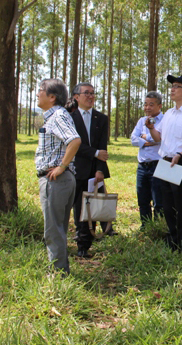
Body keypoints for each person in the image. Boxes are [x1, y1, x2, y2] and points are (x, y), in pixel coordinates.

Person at [146, 75, 182, 254]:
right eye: (172, 86)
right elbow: (160, 138)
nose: (172, 89)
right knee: (167, 206)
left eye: (177, 86)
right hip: (166, 163)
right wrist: (151, 129)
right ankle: (173, 242)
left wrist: (181, 153)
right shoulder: (169, 114)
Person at [34, 78, 81, 275]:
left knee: (53, 230)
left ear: (52, 97)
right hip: (59, 180)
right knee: (58, 228)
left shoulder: (58, 116)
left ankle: (58, 274)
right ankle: (60, 270)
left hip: (56, 180)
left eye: (41, 90)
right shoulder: (54, 116)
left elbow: (74, 140)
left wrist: (61, 167)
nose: (37, 93)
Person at [69, 83, 111, 258]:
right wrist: (94, 153)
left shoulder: (101, 119)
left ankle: (85, 245)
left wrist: (100, 170)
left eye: (93, 93)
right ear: (76, 97)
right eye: (86, 93)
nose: (91, 96)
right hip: (74, 169)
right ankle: (80, 240)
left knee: (92, 207)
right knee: (79, 207)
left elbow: (103, 148)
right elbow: (72, 145)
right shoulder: (69, 117)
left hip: (94, 171)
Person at [131, 91, 165, 229]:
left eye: (151, 104)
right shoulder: (141, 121)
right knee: (142, 199)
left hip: (159, 164)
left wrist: (145, 136)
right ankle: (145, 226)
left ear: (159, 106)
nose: (147, 108)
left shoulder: (165, 120)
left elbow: (162, 139)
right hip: (142, 165)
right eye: (145, 104)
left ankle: (158, 227)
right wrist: (148, 140)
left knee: (159, 200)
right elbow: (133, 139)